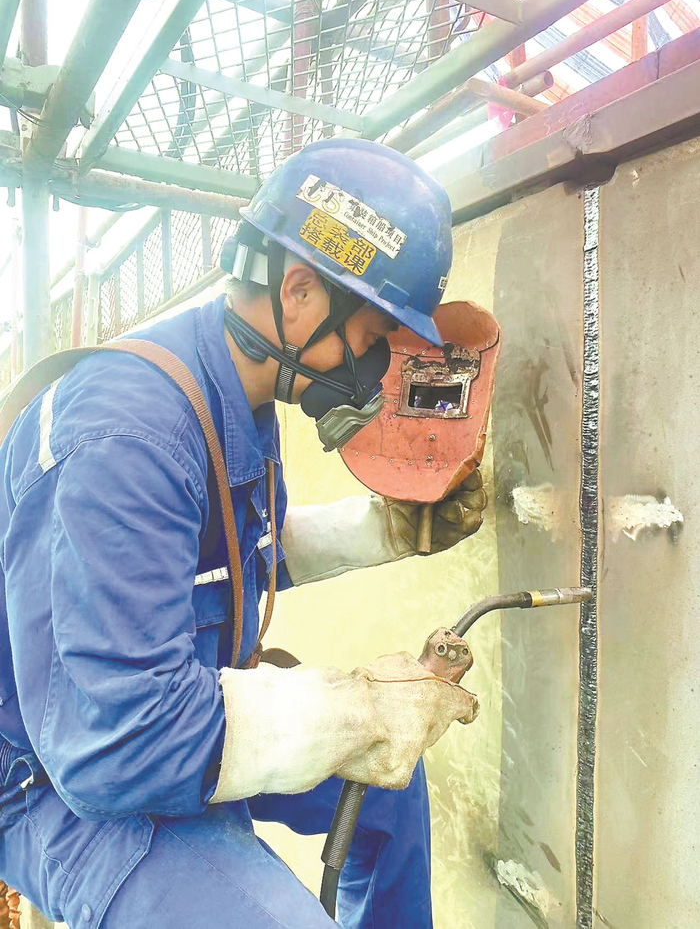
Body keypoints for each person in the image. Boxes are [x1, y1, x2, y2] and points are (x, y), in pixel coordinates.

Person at [0, 138, 486, 929]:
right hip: (61, 780)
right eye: (371, 342)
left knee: (390, 790)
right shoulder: (127, 436)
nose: (373, 374)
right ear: (299, 292)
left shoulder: (236, 391)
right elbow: (115, 741)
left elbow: (226, 556)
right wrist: (361, 712)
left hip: (166, 719)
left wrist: (385, 531)